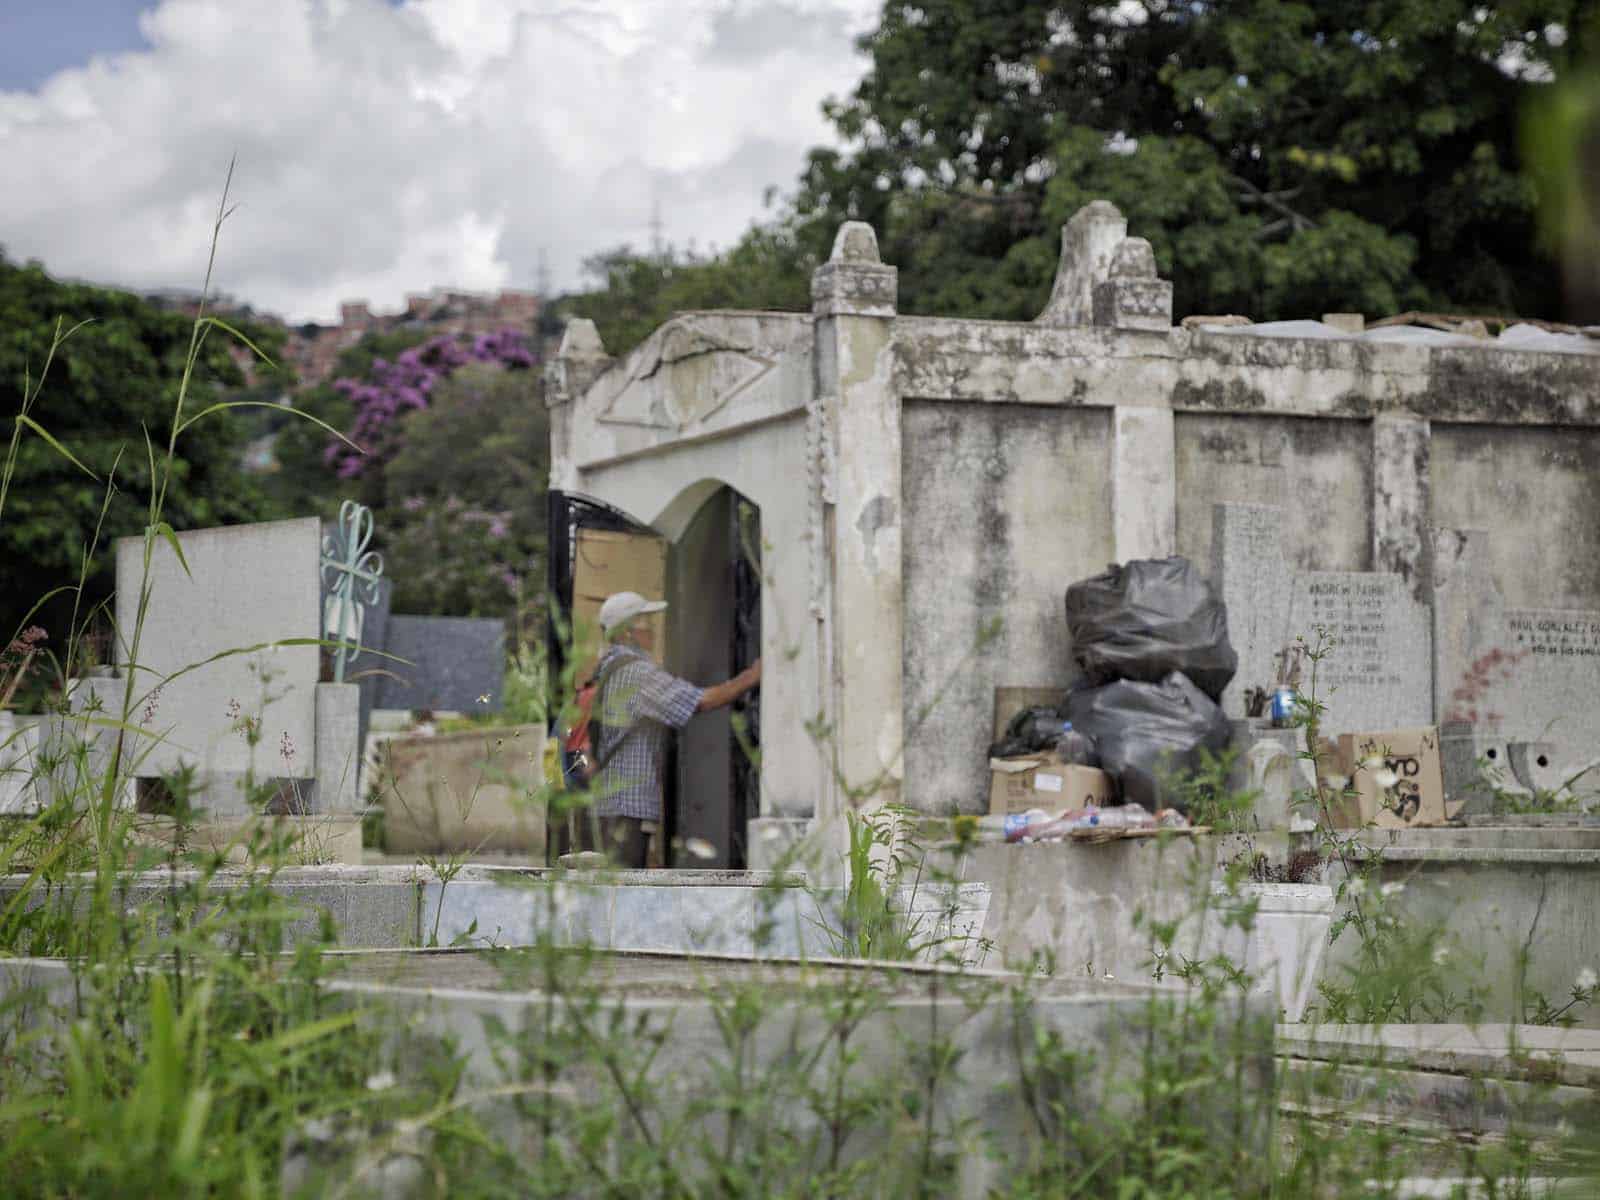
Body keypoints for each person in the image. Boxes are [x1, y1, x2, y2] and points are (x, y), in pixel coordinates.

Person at [584, 590, 761, 868]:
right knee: (624, 895)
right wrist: (752, 676)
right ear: (627, 632)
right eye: (646, 624)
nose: (653, 631)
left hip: (609, 804)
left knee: (615, 893)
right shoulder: (637, 673)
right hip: (628, 807)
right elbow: (700, 701)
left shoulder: (606, 668)